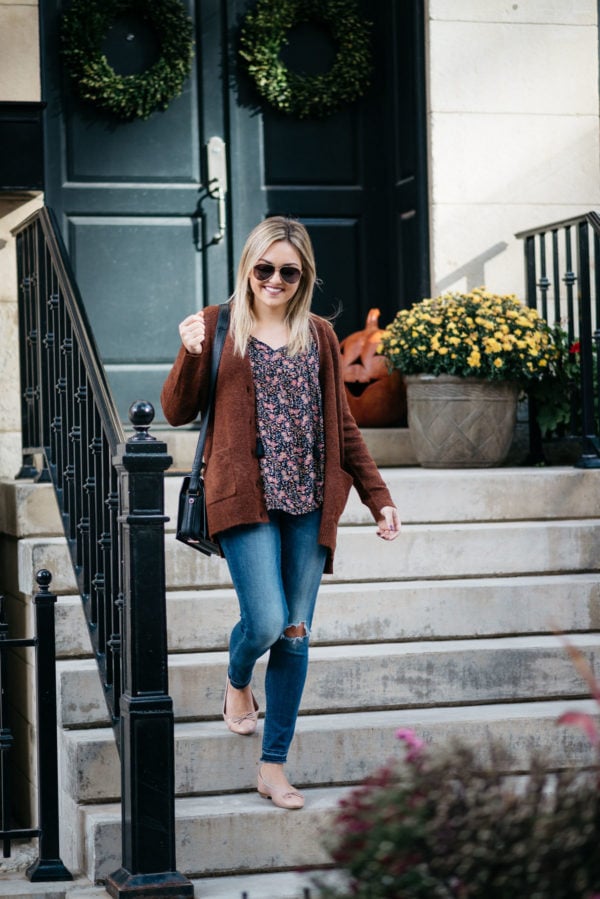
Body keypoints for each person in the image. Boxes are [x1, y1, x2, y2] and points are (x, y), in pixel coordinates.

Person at [161, 216, 400, 810]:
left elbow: (342, 426)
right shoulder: (218, 327)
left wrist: (379, 496)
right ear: (247, 267)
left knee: (295, 636)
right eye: (263, 268)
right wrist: (190, 353)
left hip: (309, 501)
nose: (273, 279)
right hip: (245, 498)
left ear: (304, 276)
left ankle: (273, 766)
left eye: (287, 271)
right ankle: (238, 680)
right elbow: (174, 410)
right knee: (266, 621)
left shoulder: (319, 334)